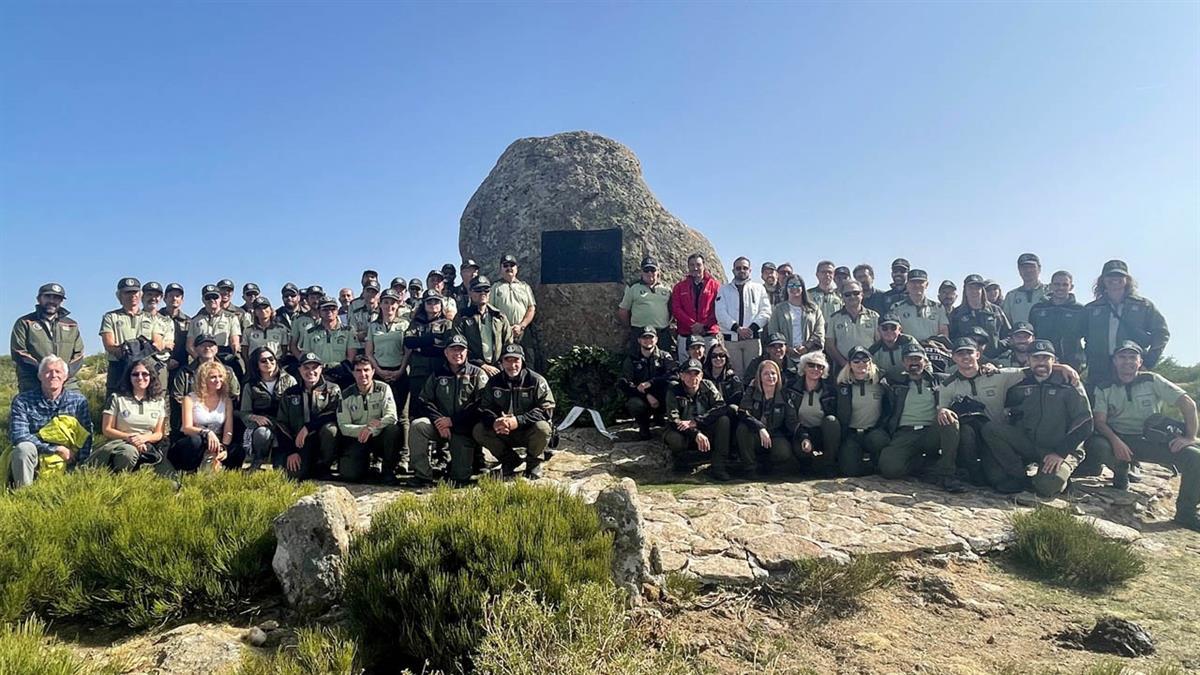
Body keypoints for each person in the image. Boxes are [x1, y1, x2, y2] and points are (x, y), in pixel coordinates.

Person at [1083, 342, 1199, 531]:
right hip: (1119, 438)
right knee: (1097, 444)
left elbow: (1188, 404)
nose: (1127, 362)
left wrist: (1189, 437)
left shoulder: (1152, 380)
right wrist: (1116, 441)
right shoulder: (1104, 387)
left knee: (1194, 457)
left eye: (1132, 357)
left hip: (1150, 439)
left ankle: (1186, 512)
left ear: (1140, 361)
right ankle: (1121, 473)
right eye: (1122, 357)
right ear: (1115, 361)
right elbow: (1100, 422)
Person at [982, 340, 1093, 496]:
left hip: (1061, 448)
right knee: (991, 433)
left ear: (1053, 361)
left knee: (1047, 486)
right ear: (1028, 360)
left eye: (1045, 358)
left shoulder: (1069, 383)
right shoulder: (1021, 381)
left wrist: (1060, 453)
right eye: (1036, 358)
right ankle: (1019, 476)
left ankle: (1061, 476)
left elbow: (1086, 423)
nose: (1041, 362)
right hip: (1030, 443)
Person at [939, 338, 1042, 485]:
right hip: (970, 439)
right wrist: (943, 410)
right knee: (965, 431)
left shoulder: (997, 375)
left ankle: (1015, 471)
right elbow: (942, 408)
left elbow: (1034, 369)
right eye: (960, 353)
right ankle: (968, 470)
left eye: (969, 352)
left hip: (995, 439)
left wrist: (1063, 368)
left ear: (978, 355)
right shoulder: (948, 385)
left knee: (997, 479)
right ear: (953, 357)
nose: (965, 356)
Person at [877, 344, 967, 492]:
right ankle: (927, 466)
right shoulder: (894, 382)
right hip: (905, 432)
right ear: (903, 362)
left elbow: (968, 373)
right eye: (909, 359)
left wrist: (987, 368)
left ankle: (947, 474)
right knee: (889, 469)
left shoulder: (940, 380)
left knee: (950, 420)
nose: (913, 362)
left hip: (931, 431)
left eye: (917, 358)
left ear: (925, 361)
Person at [409, 334, 489, 487]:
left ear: (467, 352)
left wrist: (452, 421)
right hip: (440, 426)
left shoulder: (477, 374)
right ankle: (423, 475)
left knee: (460, 478)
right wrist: (439, 421)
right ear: (445, 352)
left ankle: (461, 467)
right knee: (418, 426)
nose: (457, 353)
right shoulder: (437, 374)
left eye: (461, 350)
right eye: (453, 350)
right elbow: (424, 400)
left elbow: (481, 404)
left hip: (464, 429)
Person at [7, 355, 93, 487]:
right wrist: (55, 449)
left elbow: (87, 435)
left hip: (69, 458)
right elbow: (19, 435)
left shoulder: (78, 401)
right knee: (23, 448)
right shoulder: (23, 401)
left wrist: (79, 460)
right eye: (48, 372)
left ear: (65, 376)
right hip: (36, 455)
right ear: (40, 376)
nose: (53, 375)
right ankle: (24, 493)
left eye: (58, 371)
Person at [473, 344, 556, 479]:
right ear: (502, 362)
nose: (512, 365)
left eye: (516, 360)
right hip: (503, 431)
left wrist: (518, 421)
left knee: (543, 428)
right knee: (479, 430)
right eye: (508, 360)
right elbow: (484, 408)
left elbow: (547, 409)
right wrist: (495, 421)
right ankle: (509, 460)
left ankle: (533, 463)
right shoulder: (494, 382)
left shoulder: (536, 380)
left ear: (522, 361)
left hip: (528, 430)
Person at [1082, 259, 1169, 386]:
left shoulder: (1143, 306)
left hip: (1130, 367)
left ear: (1127, 279)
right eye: (1110, 275)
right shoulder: (1091, 309)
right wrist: (1081, 363)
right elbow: (1075, 336)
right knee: (1098, 404)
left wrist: (1148, 362)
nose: (1114, 279)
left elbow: (1161, 333)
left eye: (1120, 275)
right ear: (1102, 280)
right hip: (1099, 369)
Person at [88, 358, 167, 473]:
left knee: (172, 482)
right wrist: (130, 438)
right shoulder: (117, 398)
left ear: (151, 377)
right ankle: (117, 476)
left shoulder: (159, 401)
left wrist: (143, 439)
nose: (140, 377)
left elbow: (159, 433)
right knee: (128, 453)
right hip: (121, 443)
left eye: (145, 374)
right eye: (135, 374)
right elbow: (107, 429)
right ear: (129, 377)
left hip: (148, 446)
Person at [276, 352, 342, 480]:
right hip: (299, 442)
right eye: (306, 368)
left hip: (322, 438)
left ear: (321, 369)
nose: (310, 372)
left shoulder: (332, 389)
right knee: (293, 475)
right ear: (300, 369)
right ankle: (308, 465)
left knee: (331, 430)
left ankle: (324, 465)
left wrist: (308, 427)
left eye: (314, 368)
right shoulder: (290, 393)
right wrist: (291, 451)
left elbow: (334, 413)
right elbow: (281, 423)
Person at [664, 358, 733, 480]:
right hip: (683, 432)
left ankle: (719, 466)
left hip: (704, 427)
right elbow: (673, 418)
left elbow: (721, 407)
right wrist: (695, 433)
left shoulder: (708, 386)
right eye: (688, 374)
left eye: (696, 374)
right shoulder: (674, 390)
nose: (693, 377)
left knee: (724, 420)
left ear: (701, 375)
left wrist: (697, 422)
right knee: (675, 439)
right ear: (681, 376)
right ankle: (680, 462)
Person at [335, 355, 400, 483]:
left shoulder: (383, 389)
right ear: (353, 373)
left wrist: (372, 429)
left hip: (379, 436)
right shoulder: (345, 395)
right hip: (358, 439)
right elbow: (344, 426)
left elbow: (392, 417)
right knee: (349, 475)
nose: (362, 374)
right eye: (358, 370)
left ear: (373, 372)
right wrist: (364, 429)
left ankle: (388, 471)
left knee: (393, 430)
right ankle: (365, 467)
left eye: (366, 370)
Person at [10, 282, 84, 393]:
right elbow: (18, 352)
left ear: (61, 301)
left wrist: (63, 373)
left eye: (57, 298)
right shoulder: (25, 323)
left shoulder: (72, 325)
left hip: (67, 384)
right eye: (47, 296)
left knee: (75, 409)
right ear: (39, 299)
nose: (52, 301)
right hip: (32, 383)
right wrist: (44, 373)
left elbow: (79, 354)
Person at [100, 277, 163, 397]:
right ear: (119, 295)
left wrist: (138, 357)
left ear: (140, 294)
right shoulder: (111, 317)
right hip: (119, 366)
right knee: (114, 404)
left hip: (145, 369)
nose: (132, 295)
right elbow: (109, 345)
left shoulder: (151, 317)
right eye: (127, 292)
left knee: (149, 403)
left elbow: (158, 344)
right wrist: (128, 355)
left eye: (135, 292)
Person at [169, 334, 240, 439]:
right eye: (203, 345)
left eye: (211, 345)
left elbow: (234, 394)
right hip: (192, 422)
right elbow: (177, 396)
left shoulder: (227, 370)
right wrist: (193, 411)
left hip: (221, 418)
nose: (207, 348)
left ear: (216, 349)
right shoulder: (185, 372)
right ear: (195, 349)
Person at [735, 359, 798, 476]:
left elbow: (791, 420)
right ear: (760, 376)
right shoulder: (752, 390)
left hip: (775, 434)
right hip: (755, 434)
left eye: (773, 373)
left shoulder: (784, 394)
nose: (770, 376)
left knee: (783, 453)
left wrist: (804, 436)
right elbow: (743, 412)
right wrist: (760, 428)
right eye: (766, 373)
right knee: (742, 428)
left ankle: (768, 466)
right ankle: (750, 469)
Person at [237, 346, 297, 470]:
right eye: (263, 361)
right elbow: (243, 412)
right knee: (262, 433)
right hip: (263, 427)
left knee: (280, 470)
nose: (268, 363)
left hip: (285, 428)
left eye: (271, 359)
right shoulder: (250, 385)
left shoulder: (290, 380)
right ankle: (258, 459)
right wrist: (254, 417)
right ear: (256, 364)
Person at [836, 346, 892, 477]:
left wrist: (884, 426)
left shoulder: (881, 383)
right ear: (849, 364)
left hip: (873, 432)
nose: (861, 364)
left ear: (870, 363)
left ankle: (877, 460)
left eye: (865, 360)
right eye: (856, 361)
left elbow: (890, 407)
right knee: (849, 471)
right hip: (852, 433)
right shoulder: (841, 385)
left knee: (880, 440)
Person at [171, 360, 234, 472]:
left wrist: (223, 447)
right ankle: (188, 471)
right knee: (195, 441)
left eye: (220, 376)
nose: (218, 380)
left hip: (217, 442)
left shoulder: (227, 400)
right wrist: (207, 433)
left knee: (236, 451)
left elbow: (228, 429)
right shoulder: (189, 399)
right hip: (194, 439)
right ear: (203, 380)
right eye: (213, 377)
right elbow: (186, 428)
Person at [714, 256, 772, 376]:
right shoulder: (724, 290)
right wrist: (737, 328)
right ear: (733, 270)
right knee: (735, 375)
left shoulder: (759, 288)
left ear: (750, 270)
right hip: (732, 340)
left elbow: (766, 311)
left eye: (745, 268)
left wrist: (751, 329)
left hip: (752, 339)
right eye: (738, 268)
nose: (742, 270)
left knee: (754, 374)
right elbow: (720, 312)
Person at [404, 289, 455, 420]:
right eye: (429, 302)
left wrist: (421, 347)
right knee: (417, 409)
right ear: (424, 304)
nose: (433, 304)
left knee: (439, 408)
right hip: (418, 372)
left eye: (436, 301)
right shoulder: (416, 323)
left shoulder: (447, 324)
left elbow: (445, 348)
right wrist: (432, 340)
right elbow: (409, 342)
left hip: (439, 371)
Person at [619, 327, 678, 439]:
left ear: (656, 339)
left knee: (674, 386)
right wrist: (646, 394)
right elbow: (625, 383)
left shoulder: (665, 356)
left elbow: (673, 375)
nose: (648, 340)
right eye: (644, 337)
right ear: (639, 340)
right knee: (634, 403)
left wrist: (651, 383)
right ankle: (644, 427)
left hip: (663, 397)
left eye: (651, 337)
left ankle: (670, 424)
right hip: (643, 398)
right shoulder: (632, 359)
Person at [791, 352, 839, 475]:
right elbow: (790, 418)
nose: (815, 369)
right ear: (804, 367)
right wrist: (805, 437)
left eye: (820, 366)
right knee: (801, 456)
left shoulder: (830, 391)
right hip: (800, 432)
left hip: (822, 432)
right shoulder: (792, 389)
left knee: (831, 421)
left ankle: (829, 463)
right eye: (811, 365)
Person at [454, 275, 513, 374]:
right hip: (471, 369)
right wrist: (481, 365)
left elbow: (508, 343)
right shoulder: (462, 317)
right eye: (478, 290)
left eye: (486, 290)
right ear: (470, 292)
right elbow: (458, 346)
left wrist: (502, 365)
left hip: (498, 368)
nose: (483, 293)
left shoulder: (499, 316)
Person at [1029, 270, 1086, 370]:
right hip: (1042, 361)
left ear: (1071, 287)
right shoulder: (1038, 309)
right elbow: (1031, 335)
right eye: (1057, 284)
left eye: (1065, 285)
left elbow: (1087, 336)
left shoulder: (1079, 310)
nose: (1060, 288)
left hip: (1072, 362)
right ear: (1051, 286)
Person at [670, 253, 721, 360]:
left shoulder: (715, 286)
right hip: (686, 334)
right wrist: (692, 324)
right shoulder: (679, 287)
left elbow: (719, 309)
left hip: (708, 334)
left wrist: (704, 325)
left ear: (704, 265)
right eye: (692, 265)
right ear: (688, 267)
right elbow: (676, 309)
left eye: (698, 264)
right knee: (686, 368)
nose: (695, 268)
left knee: (710, 366)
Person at [766, 275, 825, 368]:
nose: (794, 288)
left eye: (797, 285)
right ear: (786, 288)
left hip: (809, 355)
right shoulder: (778, 309)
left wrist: (806, 347)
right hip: (786, 357)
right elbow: (773, 332)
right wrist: (787, 349)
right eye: (791, 285)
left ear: (803, 287)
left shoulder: (814, 309)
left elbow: (819, 331)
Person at [187, 284, 242, 381]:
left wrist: (234, 350)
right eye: (208, 297)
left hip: (223, 355)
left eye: (215, 297)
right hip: (202, 355)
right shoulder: (195, 320)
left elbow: (235, 342)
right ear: (203, 300)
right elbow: (189, 345)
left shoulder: (231, 318)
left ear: (220, 298)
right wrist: (201, 360)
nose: (212, 300)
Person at [297, 296, 354, 387]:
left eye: (333, 309)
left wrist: (338, 369)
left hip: (342, 374)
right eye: (325, 309)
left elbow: (351, 357)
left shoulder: (348, 331)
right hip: (319, 375)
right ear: (319, 311)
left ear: (337, 311)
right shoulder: (310, 332)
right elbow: (306, 355)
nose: (329, 312)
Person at [618, 256, 673, 348]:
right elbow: (623, 310)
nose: (650, 273)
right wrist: (629, 328)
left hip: (661, 333)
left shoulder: (666, 289)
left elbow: (672, 310)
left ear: (658, 271)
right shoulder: (633, 287)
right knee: (637, 361)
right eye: (646, 270)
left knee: (664, 361)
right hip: (640, 333)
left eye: (653, 270)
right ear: (641, 272)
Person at [949, 274, 1011, 353]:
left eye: (977, 288)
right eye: (970, 288)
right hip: (967, 360)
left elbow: (1009, 334)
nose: (974, 291)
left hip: (995, 359)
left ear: (982, 290)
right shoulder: (957, 313)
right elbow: (952, 338)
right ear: (965, 290)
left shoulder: (995, 311)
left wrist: (999, 346)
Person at [827, 280, 880, 371]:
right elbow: (830, 345)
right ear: (842, 297)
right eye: (847, 294)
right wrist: (844, 364)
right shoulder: (834, 318)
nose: (852, 296)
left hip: (869, 367)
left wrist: (869, 363)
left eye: (856, 293)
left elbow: (879, 343)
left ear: (862, 294)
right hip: (843, 368)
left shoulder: (874, 316)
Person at [490, 254, 538, 350]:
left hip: (523, 331)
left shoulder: (525, 287)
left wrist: (521, 326)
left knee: (528, 361)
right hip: (502, 332)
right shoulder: (495, 287)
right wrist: (505, 327)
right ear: (500, 269)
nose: (509, 268)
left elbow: (531, 308)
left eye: (512, 265)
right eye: (505, 266)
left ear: (517, 268)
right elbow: (490, 309)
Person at [888, 269, 949, 341]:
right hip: (908, 349)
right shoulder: (896, 308)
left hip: (932, 349)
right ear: (907, 284)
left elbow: (943, 332)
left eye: (920, 282)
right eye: (913, 282)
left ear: (926, 285)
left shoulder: (938, 307)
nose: (916, 285)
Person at [1002, 253, 1050, 327]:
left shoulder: (1049, 291)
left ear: (1039, 268)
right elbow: (1006, 324)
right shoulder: (1011, 296)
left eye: (1032, 267)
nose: (1028, 270)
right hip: (1021, 337)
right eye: (1024, 267)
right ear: (1019, 270)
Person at [869, 314, 920, 383]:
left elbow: (924, 362)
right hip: (887, 386)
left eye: (893, 328)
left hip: (912, 381)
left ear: (900, 329)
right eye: (884, 328)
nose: (889, 331)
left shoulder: (909, 342)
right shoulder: (874, 350)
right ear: (878, 330)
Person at [243, 297, 291, 366]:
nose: (262, 310)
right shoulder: (248, 330)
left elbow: (284, 348)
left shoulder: (281, 329)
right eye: (259, 308)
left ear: (271, 310)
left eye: (265, 307)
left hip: (275, 363)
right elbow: (245, 349)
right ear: (255, 312)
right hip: (255, 364)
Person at [161, 283, 190, 374]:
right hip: (159, 365)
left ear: (182, 300)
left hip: (181, 366)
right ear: (164, 299)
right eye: (171, 296)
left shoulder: (188, 321)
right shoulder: (156, 318)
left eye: (177, 296)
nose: (174, 298)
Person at [348, 281, 382, 356]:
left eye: (374, 292)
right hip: (360, 350)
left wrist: (365, 334)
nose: (370, 294)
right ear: (363, 292)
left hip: (379, 350)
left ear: (378, 295)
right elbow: (352, 334)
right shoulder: (355, 310)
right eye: (368, 291)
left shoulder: (383, 311)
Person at [807, 260, 844, 326]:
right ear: (817, 274)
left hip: (835, 332)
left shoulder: (841, 295)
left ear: (833, 275)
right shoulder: (808, 294)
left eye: (830, 272)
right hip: (815, 332)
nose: (827, 275)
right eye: (823, 272)